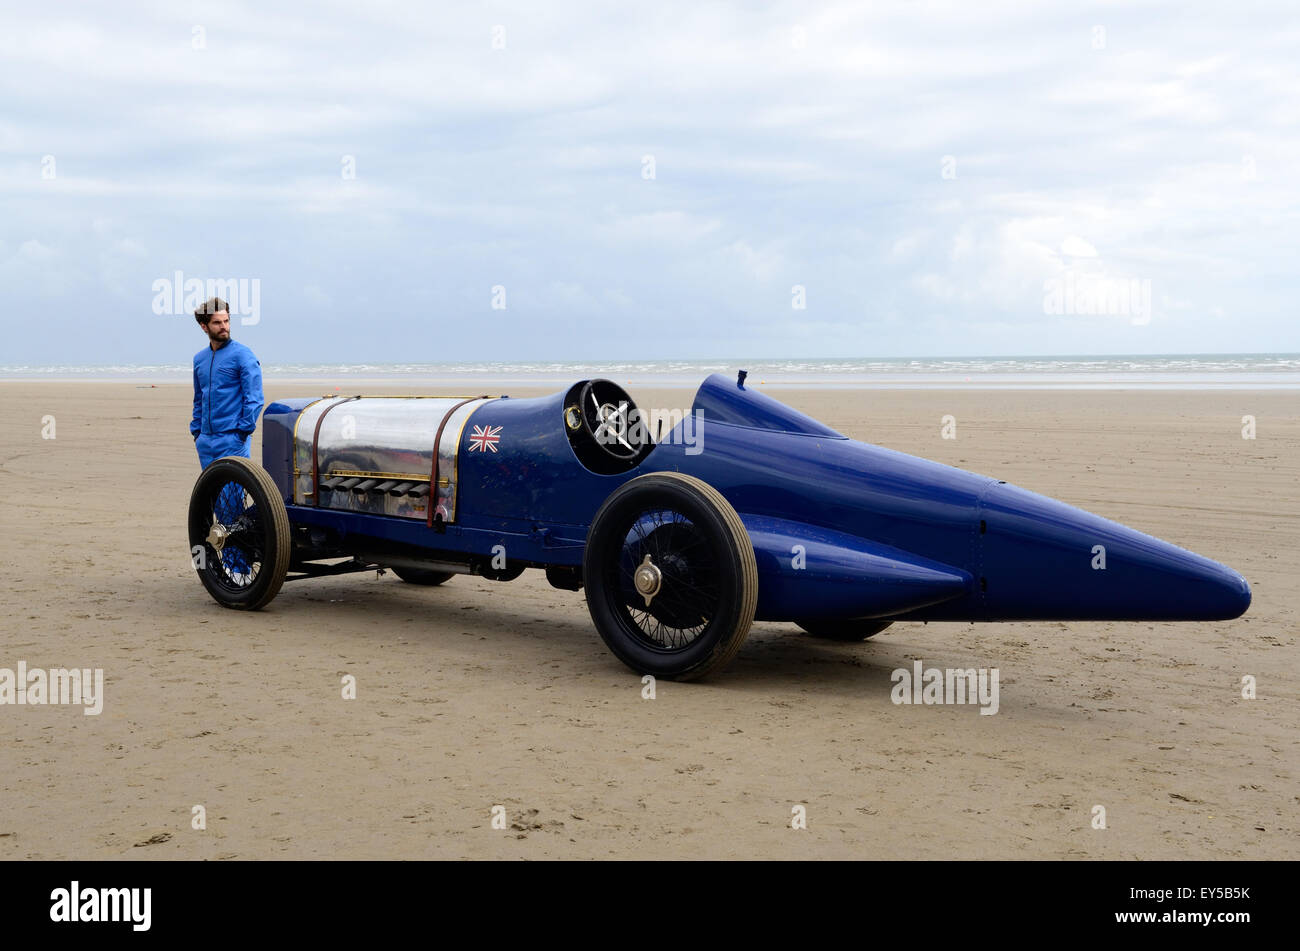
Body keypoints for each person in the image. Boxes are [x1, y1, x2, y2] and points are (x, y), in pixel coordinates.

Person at [191, 297, 264, 468]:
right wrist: (197, 432)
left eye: (226, 321)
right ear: (204, 326)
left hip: (233, 439)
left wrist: (242, 433)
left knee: (232, 494)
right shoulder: (199, 359)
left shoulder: (243, 355)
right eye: (217, 322)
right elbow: (199, 398)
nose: (224, 326)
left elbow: (254, 398)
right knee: (210, 494)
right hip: (205, 441)